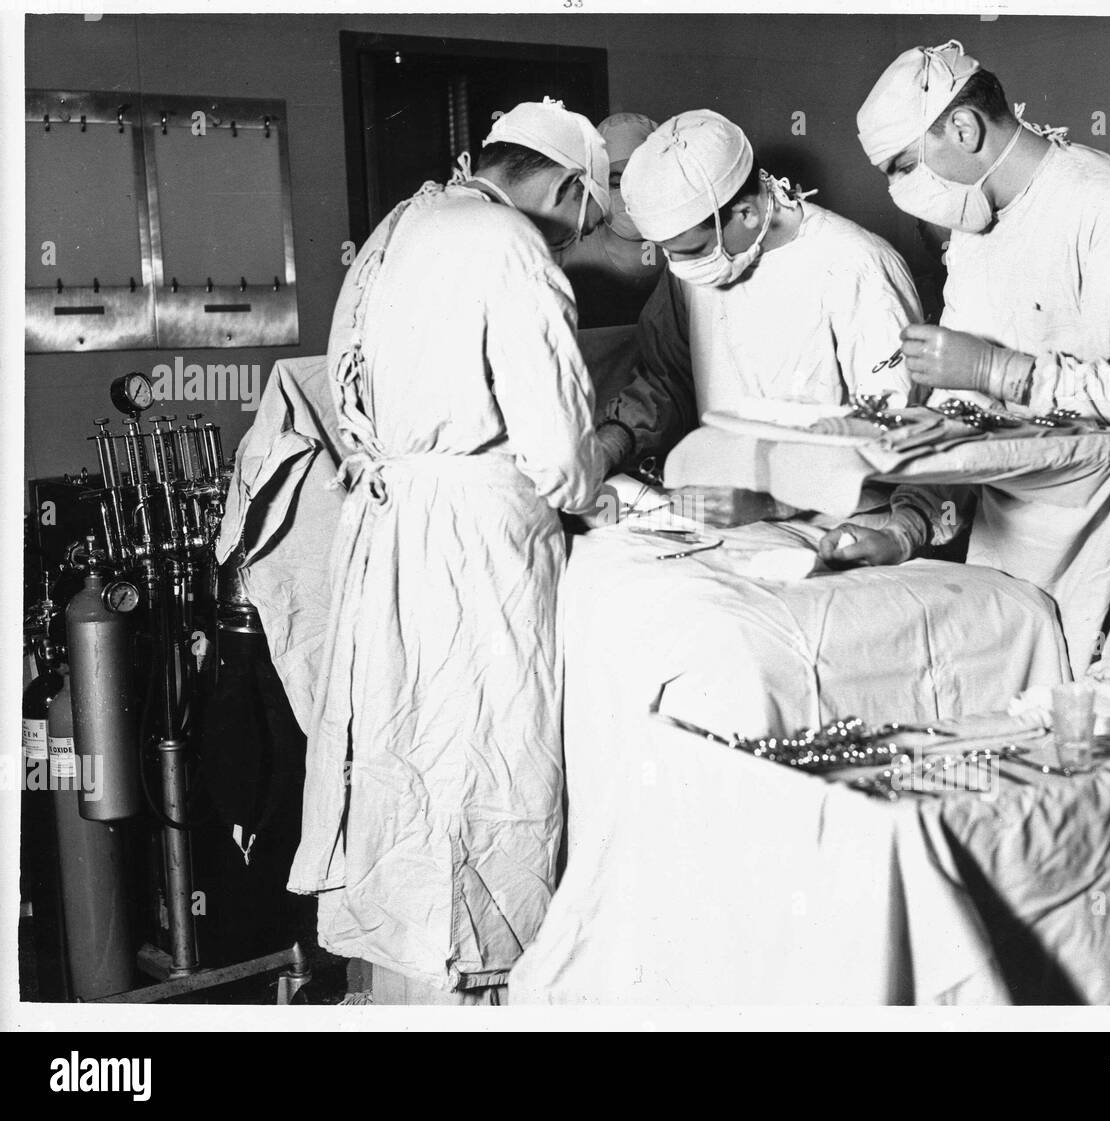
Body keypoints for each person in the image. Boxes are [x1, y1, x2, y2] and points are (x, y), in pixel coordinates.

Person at [288, 99, 609, 1005]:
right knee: (484, 771)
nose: (585, 232)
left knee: (408, 774)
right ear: (567, 185)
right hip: (474, 547)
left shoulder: (406, 223)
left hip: (393, 528)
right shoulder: (509, 247)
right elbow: (556, 450)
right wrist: (600, 487)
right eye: (591, 211)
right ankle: (483, 987)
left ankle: (410, 989)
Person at [836, 40, 1110, 635]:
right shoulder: (975, 230)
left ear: (963, 128)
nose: (898, 191)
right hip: (1018, 551)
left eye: (903, 167)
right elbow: (964, 415)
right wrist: (902, 529)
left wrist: (1003, 371)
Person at [592, 109, 924, 531]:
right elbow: (664, 381)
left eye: (690, 250)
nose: (678, 266)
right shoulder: (695, 269)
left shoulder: (856, 266)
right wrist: (610, 443)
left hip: (844, 523)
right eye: (666, 251)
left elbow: (892, 431)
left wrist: (772, 503)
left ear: (746, 212)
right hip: (731, 517)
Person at [560, 112, 666, 327]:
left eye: (641, 180)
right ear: (596, 187)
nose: (630, 195)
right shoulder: (572, 258)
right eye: (616, 184)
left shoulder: (686, 252)